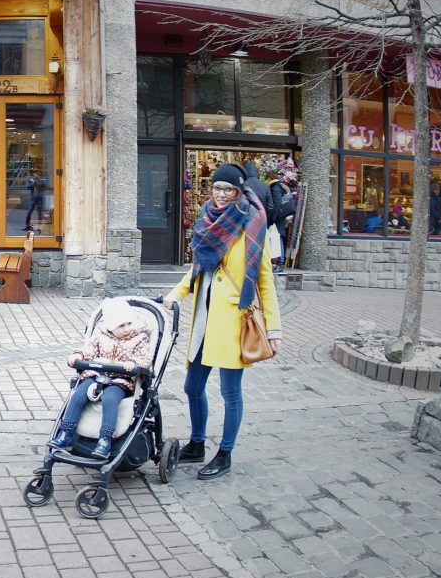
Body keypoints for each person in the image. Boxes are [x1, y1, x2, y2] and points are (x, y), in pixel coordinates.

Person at [163, 163, 282, 480]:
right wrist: (176, 293)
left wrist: (274, 330)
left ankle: (225, 453)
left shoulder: (253, 225)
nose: (220, 194)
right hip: (204, 318)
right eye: (216, 188)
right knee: (192, 386)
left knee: (230, 392)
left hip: (233, 321)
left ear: (239, 191)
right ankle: (197, 443)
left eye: (227, 189)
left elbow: (265, 283)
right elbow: (198, 268)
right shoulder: (206, 220)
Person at [49, 298, 155, 459]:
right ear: (110, 327)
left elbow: (145, 360)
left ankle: (105, 439)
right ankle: (66, 433)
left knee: (110, 399)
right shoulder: (101, 334)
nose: (127, 329)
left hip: (121, 379)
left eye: (129, 323)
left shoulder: (139, 337)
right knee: (77, 395)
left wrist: (133, 363)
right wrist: (78, 355)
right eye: (121, 326)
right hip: (97, 375)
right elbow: (89, 349)